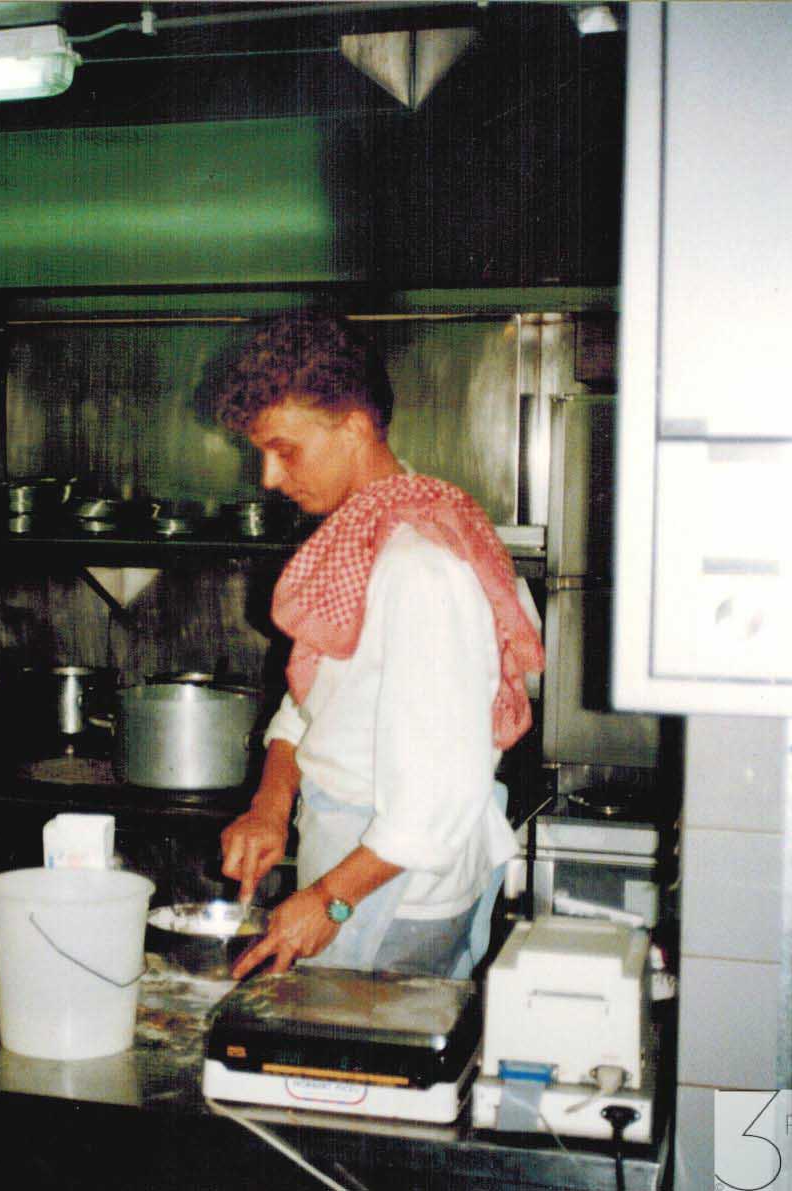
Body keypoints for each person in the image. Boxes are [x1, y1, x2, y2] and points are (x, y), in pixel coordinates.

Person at [216, 313, 543, 979]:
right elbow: (312, 701)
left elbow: (440, 794)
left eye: (286, 450)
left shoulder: (421, 568)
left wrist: (331, 901)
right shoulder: (362, 539)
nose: (270, 477)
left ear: (355, 429)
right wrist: (270, 805)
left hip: (397, 894)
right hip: (349, 861)